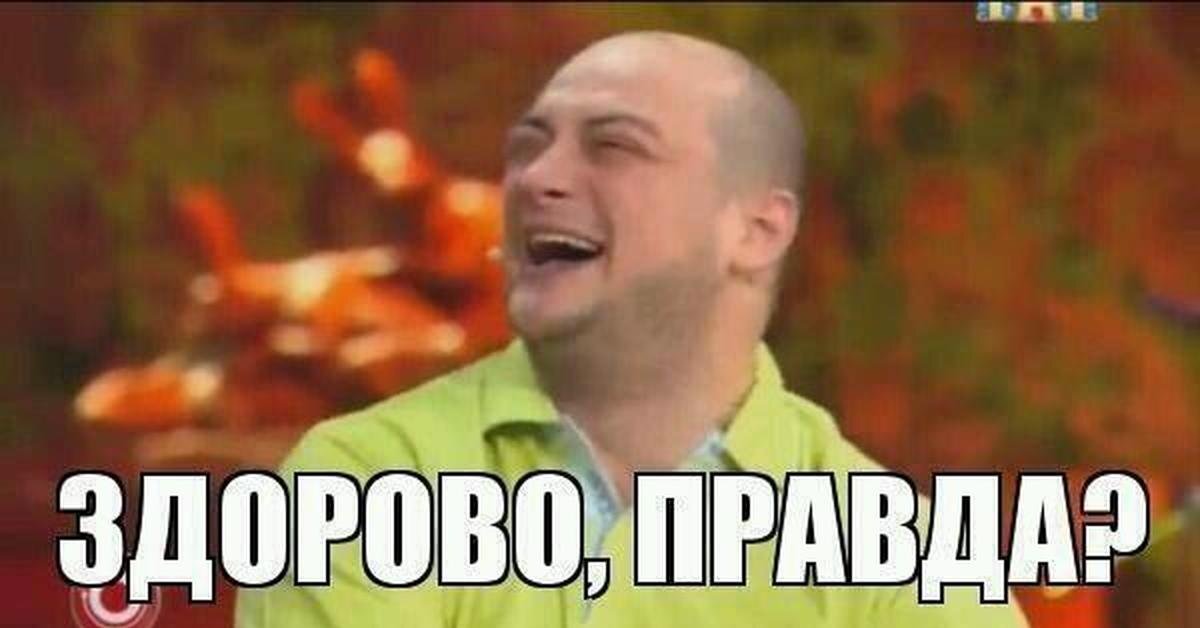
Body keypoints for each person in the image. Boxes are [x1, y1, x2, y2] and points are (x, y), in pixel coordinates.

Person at [237, 31, 1027, 627]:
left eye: (614, 147)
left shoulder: (898, 556)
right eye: (529, 148)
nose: (537, 179)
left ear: (754, 231)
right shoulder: (362, 482)